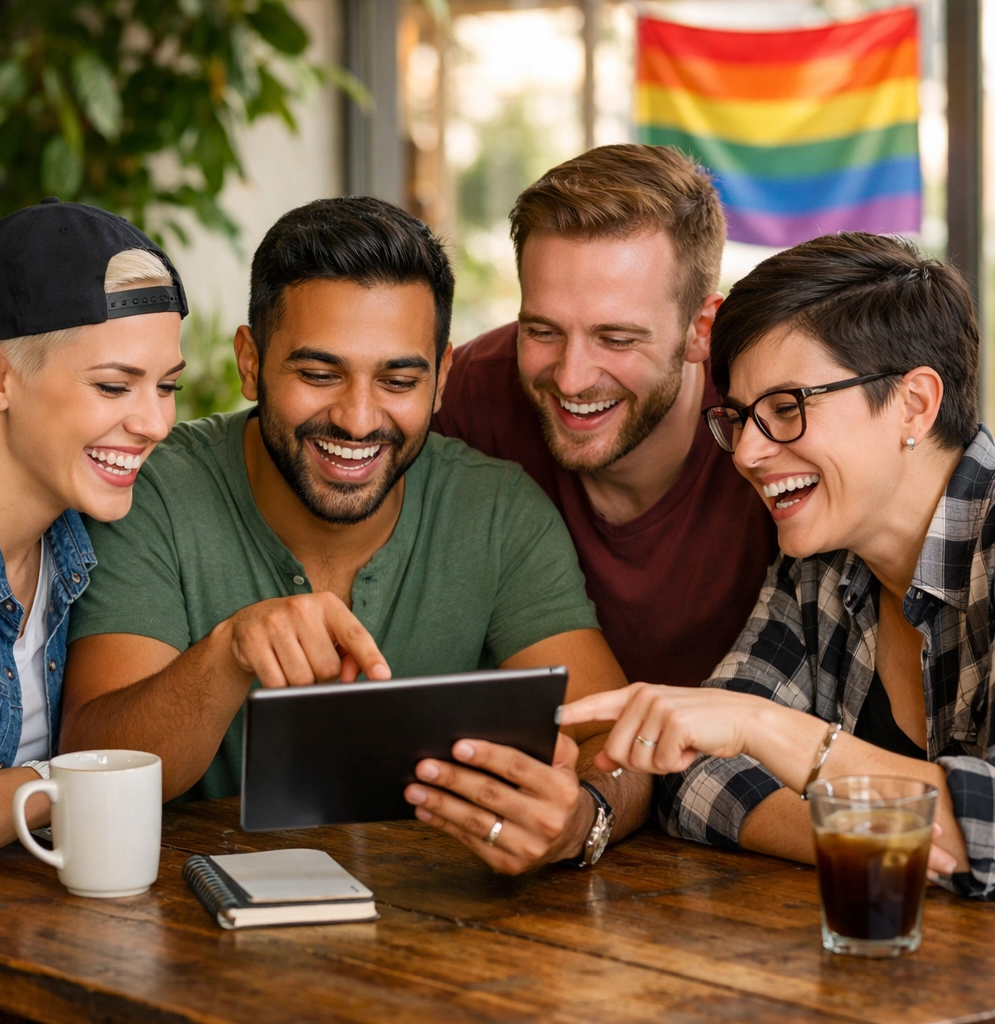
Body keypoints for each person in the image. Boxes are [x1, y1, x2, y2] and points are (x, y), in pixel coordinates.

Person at [61, 196, 652, 875]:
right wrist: (227, 654)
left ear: (441, 381)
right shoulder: (155, 491)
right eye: (318, 375)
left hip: (449, 934)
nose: (358, 418)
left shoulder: (496, 510)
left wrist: (582, 817)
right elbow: (90, 760)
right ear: (250, 361)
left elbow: (617, 748)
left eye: (399, 379)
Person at [560, 232, 995, 899]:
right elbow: (695, 775)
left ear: (915, 402)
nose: (746, 454)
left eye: (787, 409)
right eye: (739, 418)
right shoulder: (821, 561)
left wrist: (768, 730)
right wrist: (887, 837)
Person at [434, 144, 777, 687]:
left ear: (699, 330)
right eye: (542, 331)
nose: (571, 379)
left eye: (616, 338)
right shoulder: (467, 396)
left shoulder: (772, 420)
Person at [0, 198, 187, 860]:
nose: (154, 424)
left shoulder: (80, 540)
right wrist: (64, 784)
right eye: (115, 387)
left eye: (167, 387)